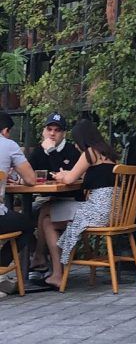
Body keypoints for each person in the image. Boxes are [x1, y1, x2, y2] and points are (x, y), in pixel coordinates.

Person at [39, 119, 117, 288]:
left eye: (76, 141)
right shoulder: (108, 154)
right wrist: (69, 174)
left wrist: (62, 175)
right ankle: (42, 260)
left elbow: (69, 180)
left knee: (47, 220)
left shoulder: (90, 152)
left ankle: (57, 274)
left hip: (97, 213)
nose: (75, 145)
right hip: (114, 213)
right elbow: (88, 176)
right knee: (46, 209)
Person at [27, 112, 82, 271]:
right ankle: (38, 255)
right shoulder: (38, 151)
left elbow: (66, 175)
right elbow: (28, 172)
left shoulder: (72, 151)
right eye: (49, 129)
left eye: (57, 130)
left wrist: (52, 151)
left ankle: (39, 256)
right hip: (44, 197)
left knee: (45, 210)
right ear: (44, 131)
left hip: (69, 199)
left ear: (63, 134)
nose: (52, 133)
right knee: (24, 217)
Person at [0, 112, 35, 295]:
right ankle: (0, 266)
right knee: (27, 225)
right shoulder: (8, 145)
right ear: (5, 130)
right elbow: (31, 179)